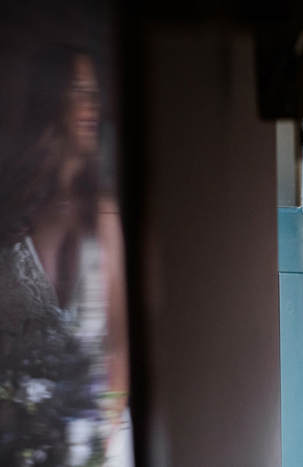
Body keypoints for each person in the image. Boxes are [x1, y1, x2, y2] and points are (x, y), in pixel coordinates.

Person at [0, 43, 130, 466]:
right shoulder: (13, 208)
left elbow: (119, 341)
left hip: (94, 437)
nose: (92, 106)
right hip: (17, 435)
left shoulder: (104, 213)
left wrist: (101, 440)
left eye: (95, 93)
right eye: (78, 91)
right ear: (50, 99)